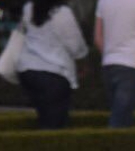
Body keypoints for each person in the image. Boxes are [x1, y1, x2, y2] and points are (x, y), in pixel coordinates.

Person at [15, 0, 89, 130]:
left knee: (43, 117)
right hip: (54, 74)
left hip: (28, 70)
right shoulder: (62, 13)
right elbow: (75, 45)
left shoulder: (29, 8)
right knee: (55, 123)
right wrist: (83, 62)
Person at [95, 0, 135, 128]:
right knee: (120, 120)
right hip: (132, 64)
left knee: (120, 114)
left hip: (109, 65)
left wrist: (109, 54)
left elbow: (98, 38)